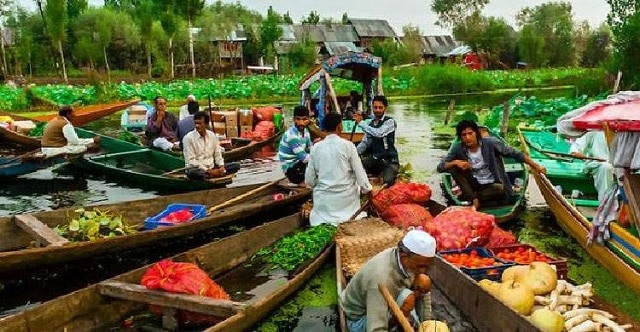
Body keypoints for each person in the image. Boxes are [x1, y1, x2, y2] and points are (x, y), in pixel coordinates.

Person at [437, 119, 547, 210]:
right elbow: (440, 167)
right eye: (464, 135)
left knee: (499, 188)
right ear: (460, 137)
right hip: (473, 185)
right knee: (452, 168)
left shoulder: (491, 143)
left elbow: (515, 154)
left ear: (476, 133)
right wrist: (455, 162)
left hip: (491, 185)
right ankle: (475, 200)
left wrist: (536, 166)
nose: (468, 138)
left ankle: (474, 199)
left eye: (470, 133)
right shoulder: (458, 148)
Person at [340, 230, 436, 332]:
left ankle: (423, 325)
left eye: (427, 267)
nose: (423, 271)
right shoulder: (380, 278)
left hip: (382, 301)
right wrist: (401, 313)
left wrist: (428, 323)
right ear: (404, 257)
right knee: (406, 299)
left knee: (423, 281)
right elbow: (376, 328)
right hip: (359, 320)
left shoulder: (401, 257)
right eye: (420, 266)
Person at [304, 112, 372, 226]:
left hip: (324, 206)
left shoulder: (316, 148)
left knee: (318, 214)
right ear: (339, 127)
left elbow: (309, 181)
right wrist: (368, 191)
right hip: (347, 203)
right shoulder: (348, 145)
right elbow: (361, 176)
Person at [355, 95, 399, 187]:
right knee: (356, 166)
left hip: (389, 161)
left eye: (380, 107)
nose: (377, 110)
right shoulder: (371, 124)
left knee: (387, 183)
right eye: (375, 107)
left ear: (385, 108)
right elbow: (365, 142)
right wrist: (353, 154)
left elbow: (379, 133)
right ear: (372, 108)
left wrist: (361, 123)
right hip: (375, 159)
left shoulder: (390, 122)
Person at [569, 131, 616, 203]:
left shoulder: (625, 132)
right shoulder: (594, 130)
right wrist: (576, 152)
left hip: (618, 167)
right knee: (606, 167)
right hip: (596, 164)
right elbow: (576, 147)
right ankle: (605, 204)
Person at [182, 111, 226, 180]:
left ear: (206, 124)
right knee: (192, 172)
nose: (197, 126)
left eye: (199, 123)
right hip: (197, 169)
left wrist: (221, 166)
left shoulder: (212, 135)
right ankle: (212, 174)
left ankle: (215, 173)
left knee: (235, 166)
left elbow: (217, 154)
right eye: (196, 123)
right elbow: (191, 161)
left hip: (212, 167)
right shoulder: (188, 138)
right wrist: (208, 171)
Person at [278, 105, 312, 185]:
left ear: (308, 119)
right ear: (294, 120)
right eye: (298, 119)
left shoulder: (306, 132)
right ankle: (302, 183)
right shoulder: (291, 135)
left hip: (299, 164)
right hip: (291, 170)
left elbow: (311, 149)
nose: (301, 122)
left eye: (304, 119)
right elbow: (304, 158)